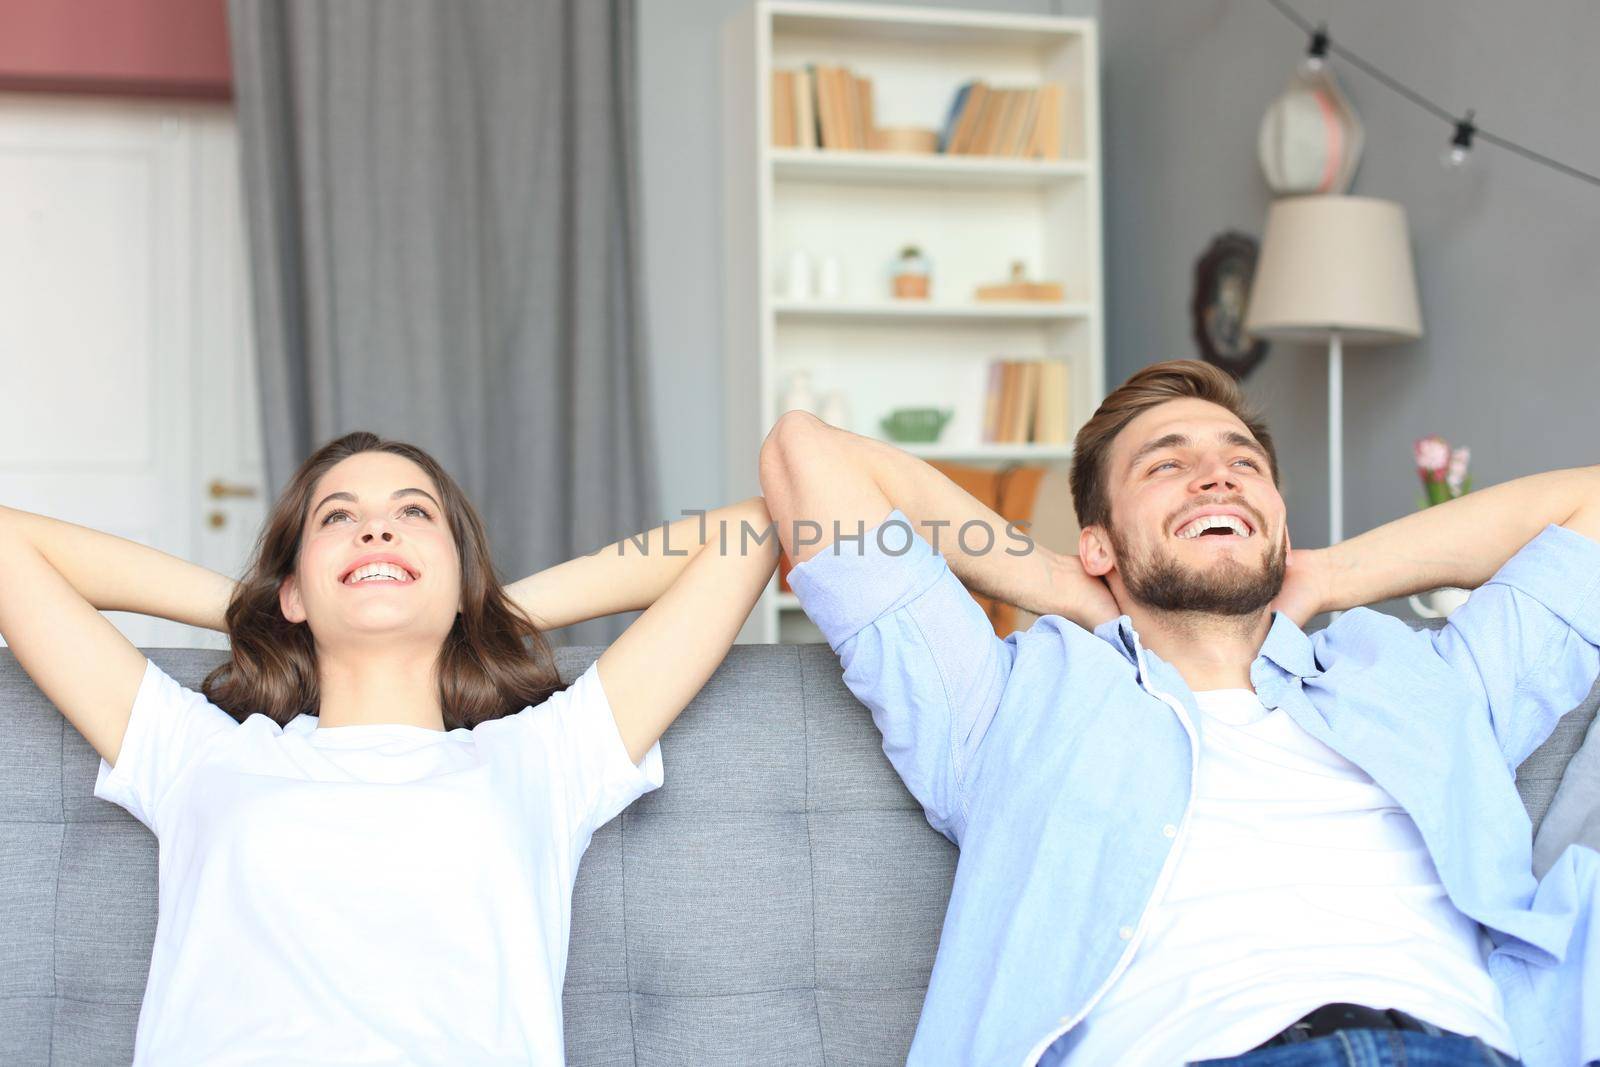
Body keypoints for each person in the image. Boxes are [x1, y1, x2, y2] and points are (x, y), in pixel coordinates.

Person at [759, 359, 1600, 1067]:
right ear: (1100, 541)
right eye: (1165, 465)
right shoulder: (1007, 707)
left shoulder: (1419, 684)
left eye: (1244, 464)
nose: (1217, 474)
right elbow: (810, 458)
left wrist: (1331, 573)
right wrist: (1066, 583)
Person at [0, 431, 777, 1066]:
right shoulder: (199, 752)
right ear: (293, 586)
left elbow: (756, 532)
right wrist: (258, 611)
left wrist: (489, 610)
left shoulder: (546, 755)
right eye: (337, 518)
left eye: (414, 513)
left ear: (462, 576)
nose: (376, 527)